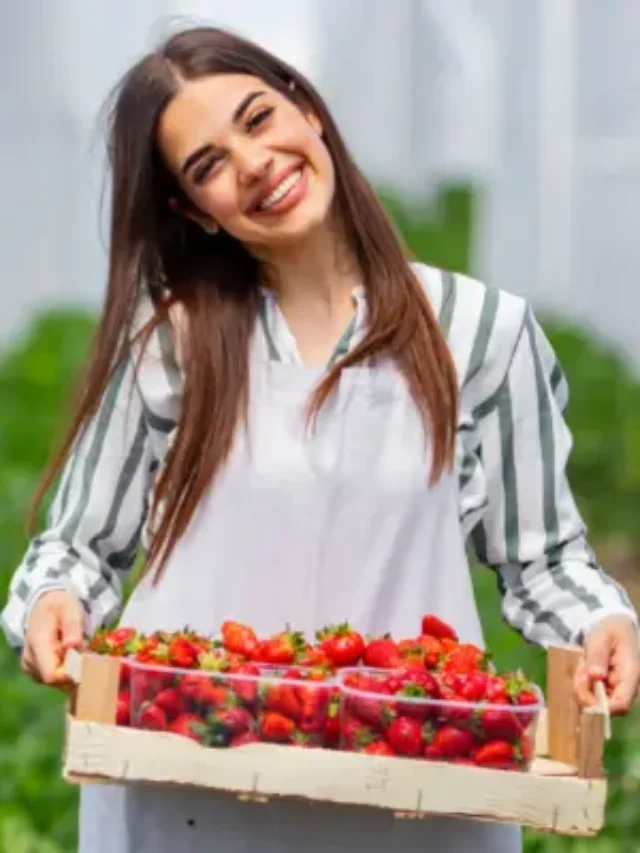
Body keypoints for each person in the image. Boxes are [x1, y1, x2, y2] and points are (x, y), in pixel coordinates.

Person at [1, 25, 638, 853]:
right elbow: (78, 549)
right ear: (195, 211)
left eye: (259, 117)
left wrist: (597, 624)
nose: (255, 162)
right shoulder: (176, 345)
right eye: (209, 165)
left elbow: (542, 558)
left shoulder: (483, 333)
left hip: (416, 785)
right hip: (188, 787)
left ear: (308, 108)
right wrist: (55, 603)